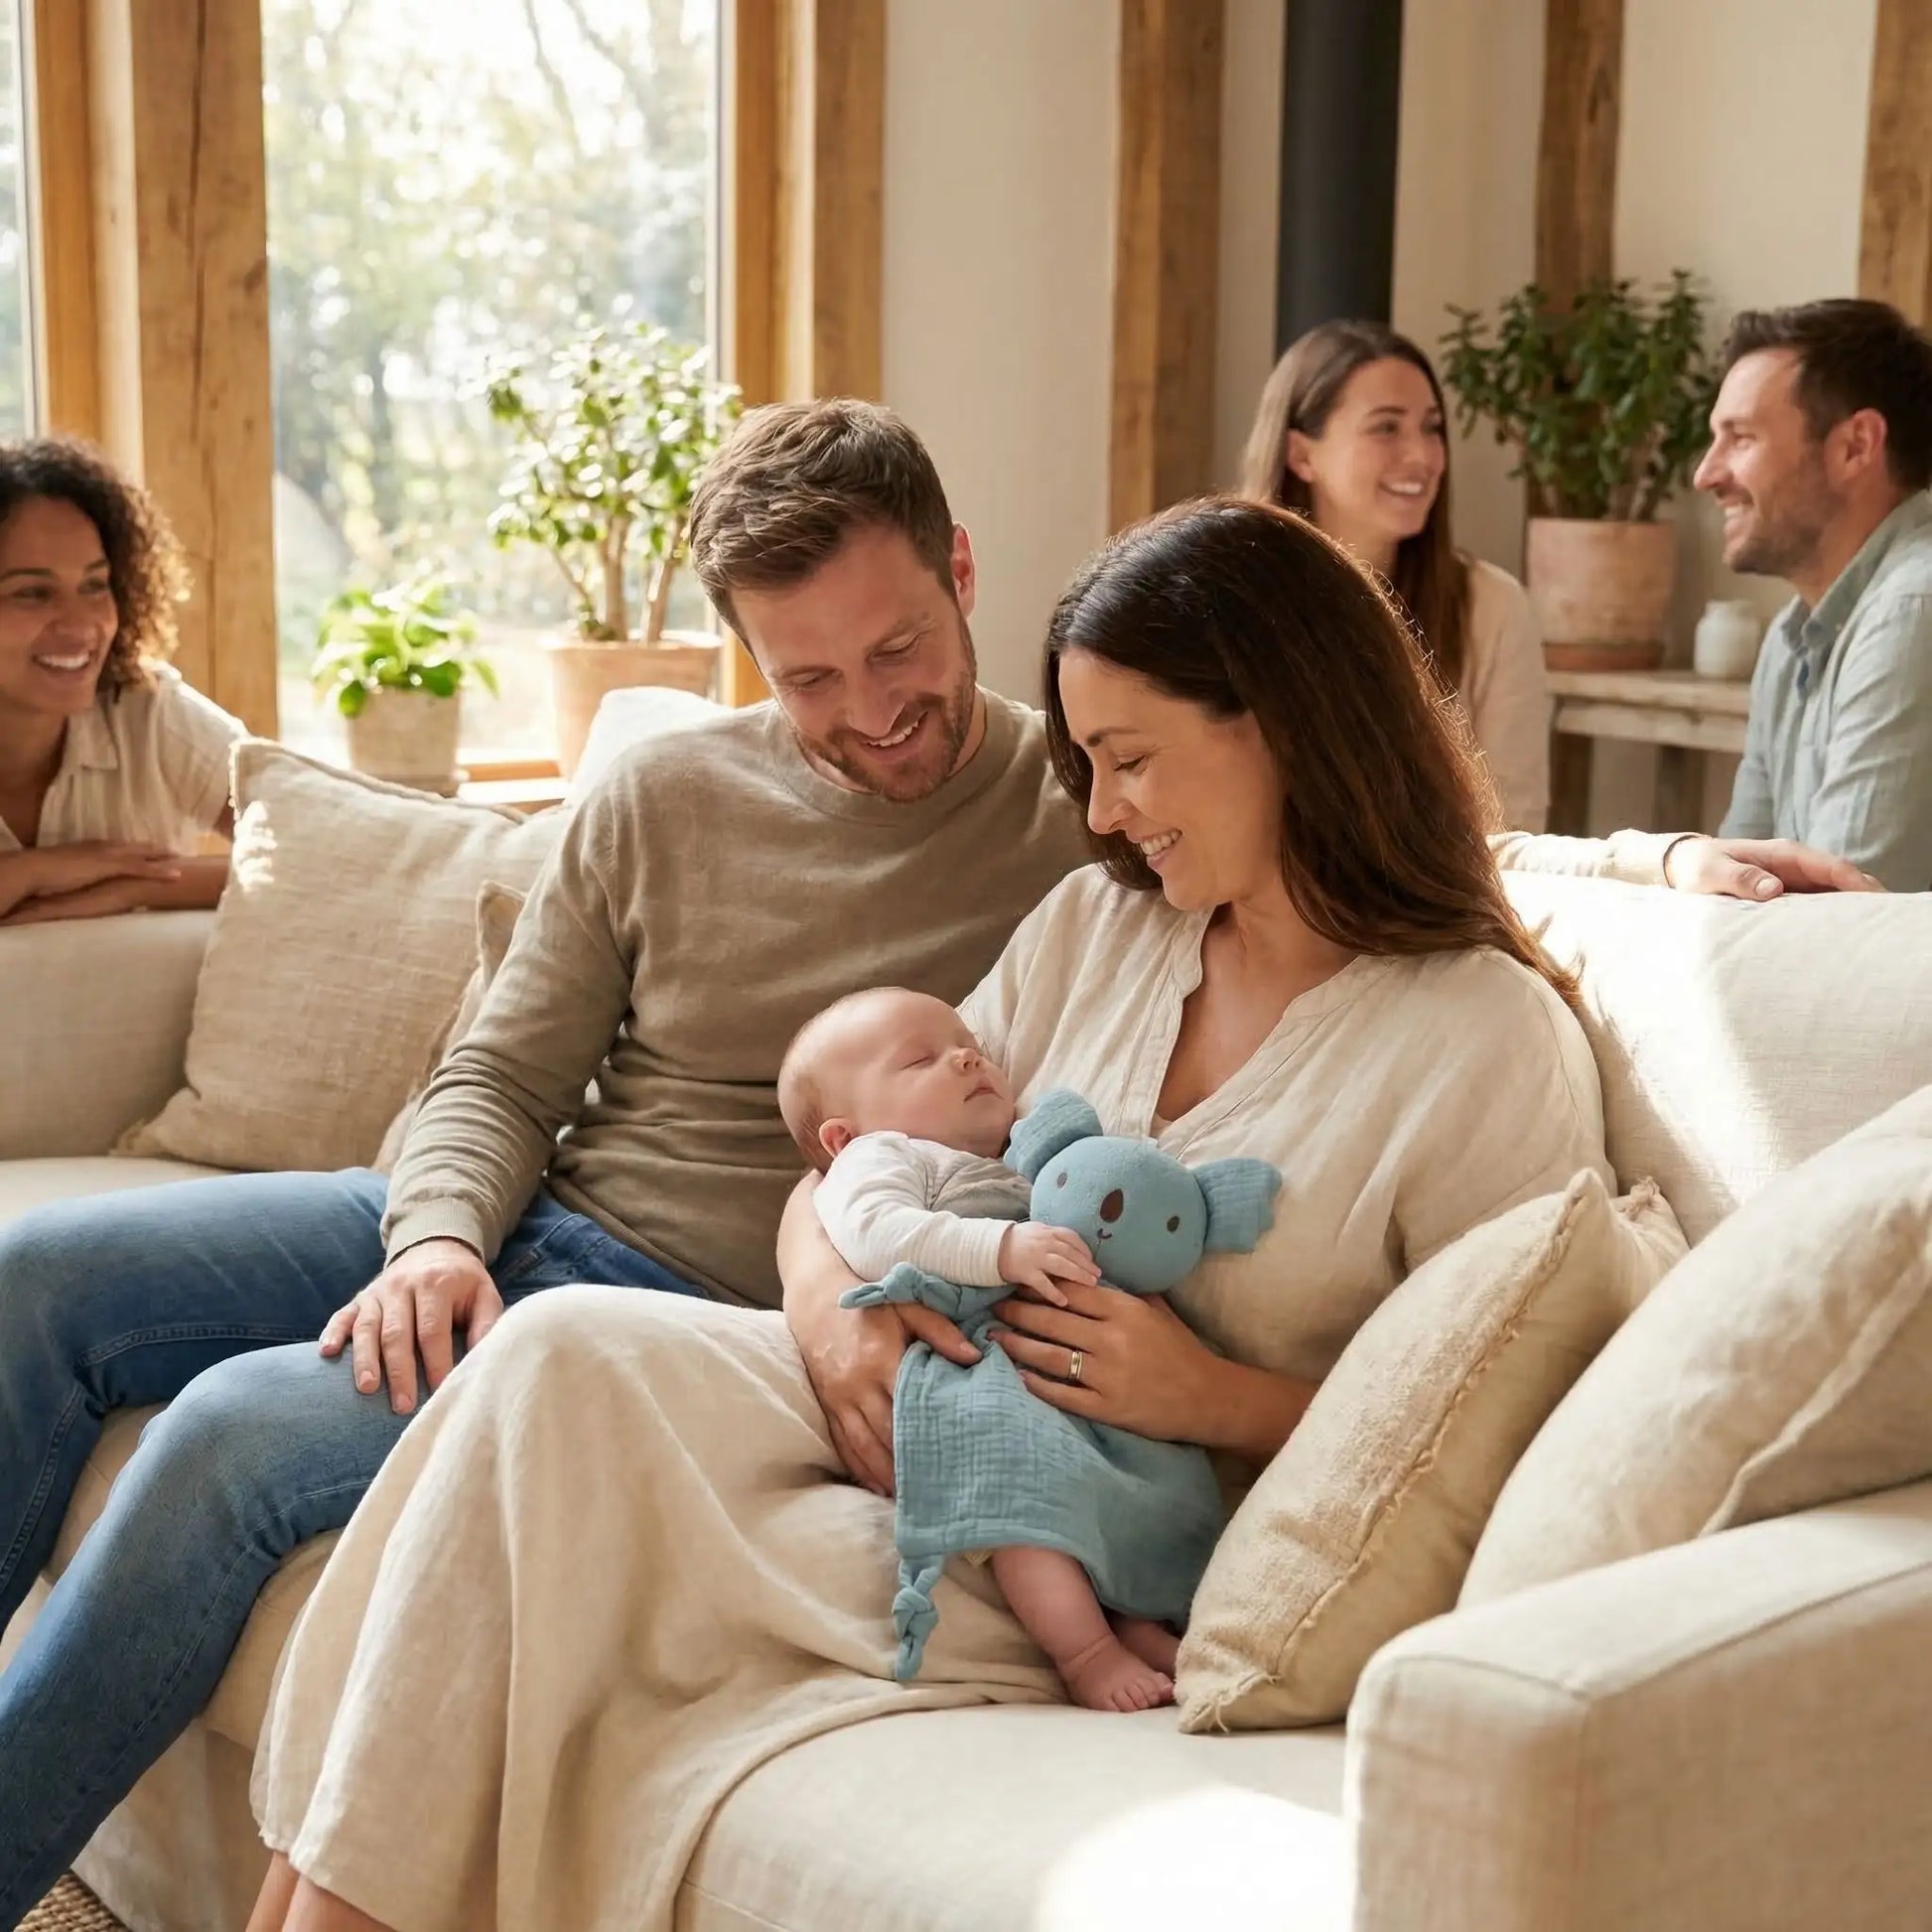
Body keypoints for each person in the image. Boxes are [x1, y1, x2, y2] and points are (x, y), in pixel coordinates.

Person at [0, 402, 1868, 1927]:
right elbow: (570, 1088)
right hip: (689, 1274)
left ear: (961, 580)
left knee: (293, 1430)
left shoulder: (1342, 970)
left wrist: (1672, 858)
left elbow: (1464, 1381)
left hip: (967, 1441)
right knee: (96, 1295)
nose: (1094, 801)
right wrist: (533, 1252)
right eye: (809, 675)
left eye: (900, 651)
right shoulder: (1081, 906)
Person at [781, 985, 1195, 1714]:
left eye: (967, 1045)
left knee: (1118, 1478)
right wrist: (1000, 1247)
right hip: (968, 1361)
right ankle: (1085, 1652)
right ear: (844, 1138)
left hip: (1050, 1359)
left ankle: (1133, 1616)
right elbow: (876, 1233)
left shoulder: (1015, 1154)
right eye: (921, 1060)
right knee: (1015, 1484)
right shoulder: (879, 1157)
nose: (968, 1057)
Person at [1240, 319, 1551, 830]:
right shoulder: (1232, 600)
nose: (1423, 456)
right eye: (1386, 427)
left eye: (1432, 428)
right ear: (1301, 454)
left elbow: (1513, 823)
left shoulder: (1491, 605)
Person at [1697, 299, 1932, 891]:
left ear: (1855, 446)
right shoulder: (1790, 636)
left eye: (1740, 438)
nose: (1706, 474)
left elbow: (1845, 912)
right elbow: (1733, 879)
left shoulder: (1914, 611)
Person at [0, 437, 243, 924]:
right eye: (32, 593)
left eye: (95, 585)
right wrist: (30, 872)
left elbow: (326, 850)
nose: (81, 625)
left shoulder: (148, 712)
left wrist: (139, 886)